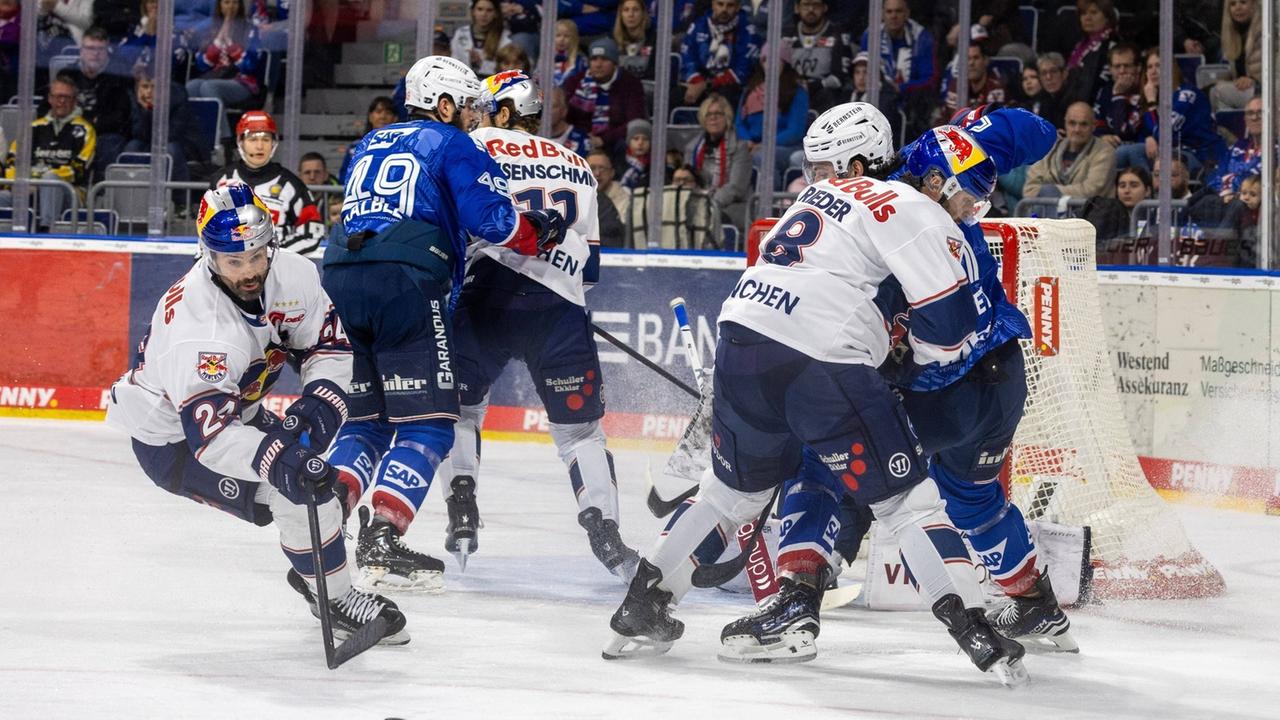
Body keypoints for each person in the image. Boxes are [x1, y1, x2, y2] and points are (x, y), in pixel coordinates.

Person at [604, 102, 1028, 686]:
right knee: (906, 504)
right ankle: (974, 629)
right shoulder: (914, 207)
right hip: (821, 361)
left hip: (739, 342)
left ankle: (641, 605)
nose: (820, 173)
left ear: (854, 161)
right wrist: (909, 357)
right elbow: (949, 333)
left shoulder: (809, 200)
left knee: (729, 492)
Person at [720, 106, 1075, 664]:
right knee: (974, 497)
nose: (967, 214)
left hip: (940, 388)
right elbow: (1040, 129)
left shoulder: (887, 213)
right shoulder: (950, 161)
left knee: (822, 463)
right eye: (967, 201)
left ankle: (795, 603)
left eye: (976, 207)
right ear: (935, 179)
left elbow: (863, 329)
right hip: (1002, 382)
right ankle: (1037, 606)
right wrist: (975, 125)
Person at [103, 183, 407, 646]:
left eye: (257, 255)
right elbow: (212, 440)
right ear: (209, 256)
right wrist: (278, 459)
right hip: (173, 444)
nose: (249, 271)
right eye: (233, 261)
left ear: (271, 243)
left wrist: (321, 402)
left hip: (238, 413)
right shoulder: (200, 330)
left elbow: (326, 345)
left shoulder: (295, 274)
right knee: (301, 494)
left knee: (316, 483)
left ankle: (314, 568)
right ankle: (334, 597)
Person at [320, 56, 565, 591]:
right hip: (405, 279)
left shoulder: (369, 143)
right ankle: (383, 537)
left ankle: (322, 518)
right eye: (469, 107)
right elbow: (495, 222)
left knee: (368, 421)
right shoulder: (451, 142)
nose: (475, 120)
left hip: (340, 271)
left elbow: (388, 207)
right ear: (445, 104)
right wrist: (539, 229)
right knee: (431, 418)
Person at [435, 70, 637, 579]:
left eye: (484, 109)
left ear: (503, 112)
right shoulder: (577, 164)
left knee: (459, 411)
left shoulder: (474, 143)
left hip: (486, 298)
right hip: (560, 311)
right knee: (581, 433)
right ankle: (606, 532)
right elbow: (589, 271)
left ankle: (462, 507)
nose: (477, 117)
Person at [211, 110, 326, 256]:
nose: (259, 146)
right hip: (229, 269)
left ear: (274, 143)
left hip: (276, 272)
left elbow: (313, 232)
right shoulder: (222, 180)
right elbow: (207, 229)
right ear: (241, 142)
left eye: (265, 139)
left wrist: (275, 256)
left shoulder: (291, 184)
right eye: (252, 139)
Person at [3, 73, 95, 230]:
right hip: (29, 191)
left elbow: (78, 169)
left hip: (69, 193)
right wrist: (18, 184)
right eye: (58, 96)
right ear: (50, 98)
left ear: (74, 100)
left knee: (51, 179)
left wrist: (39, 183)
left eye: (66, 97)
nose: (61, 101)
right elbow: (12, 160)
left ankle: (47, 231)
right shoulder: (33, 128)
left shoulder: (85, 130)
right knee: (2, 197)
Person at [54, 26, 132, 175]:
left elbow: (120, 117)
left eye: (100, 49)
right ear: (81, 50)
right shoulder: (67, 74)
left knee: (110, 144)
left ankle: (103, 193)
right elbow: (49, 107)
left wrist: (87, 124)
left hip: (103, 134)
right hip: (69, 129)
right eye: (90, 48)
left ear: (107, 50)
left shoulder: (119, 75)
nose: (95, 54)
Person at [1137, 48, 1225, 174]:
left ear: (1170, 68)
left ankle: (1150, 189)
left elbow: (1164, 135)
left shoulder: (1187, 95)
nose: (1153, 71)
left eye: (1158, 65)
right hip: (1173, 154)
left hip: (1202, 156)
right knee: (1125, 152)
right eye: (1149, 67)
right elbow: (1144, 132)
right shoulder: (1157, 97)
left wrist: (1151, 101)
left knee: (1132, 152)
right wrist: (1148, 137)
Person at [736, 44, 809, 190]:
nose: (770, 65)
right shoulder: (750, 91)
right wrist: (747, 140)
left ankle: (769, 202)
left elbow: (795, 130)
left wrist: (765, 144)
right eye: (765, 60)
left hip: (786, 147)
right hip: (752, 145)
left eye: (776, 60)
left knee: (764, 157)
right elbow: (739, 123)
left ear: (785, 63)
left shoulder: (797, 92)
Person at [860, 0, 937, 138]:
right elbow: (862, 68)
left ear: (907, 13)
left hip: (911, 101)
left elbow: (929, 80)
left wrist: (900, 88)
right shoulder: (871, 35)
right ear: (882, 14)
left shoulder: (921, 37)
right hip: (879, 97)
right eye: (889, 11)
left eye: (898, 11)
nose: (893, 16)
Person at [563, 38, 646, 155]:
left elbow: (634, 122)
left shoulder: (630, 83)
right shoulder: (576, 81)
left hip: (615, 141)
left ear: (614, 63)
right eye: (594, 59)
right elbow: (566, 116)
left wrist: (603, 140)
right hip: (579, 137)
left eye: (604, 59)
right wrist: (583, 137)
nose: (598, 64)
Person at [1023, 101, 1115, 200]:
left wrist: (1052, 191)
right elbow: (1029, 189)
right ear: (1065, 123)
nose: (1077, 129)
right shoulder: (1048, 149)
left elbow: (1092, 190)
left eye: (1084, 124)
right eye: (1072, 123)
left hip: (1087, 213)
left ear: (1094, 126)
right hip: (1045, 213)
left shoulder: (1105, 152)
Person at [685, 92, 751, 229]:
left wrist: (710, 204)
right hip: (698, 204)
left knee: (712, 218)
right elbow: (687, 180)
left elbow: (736, 188)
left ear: (727, 117)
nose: (713, 118)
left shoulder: (740, 148)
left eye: (718, 114)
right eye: (708, 114)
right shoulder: (692, 148)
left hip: (732, 206)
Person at [678, 0, 760, 110]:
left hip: (729, 88)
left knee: (727, 94)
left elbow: (742, 71)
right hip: (698, 82)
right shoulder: (698, 25)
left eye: (730, 5)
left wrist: (706, 85)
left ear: (738, 7)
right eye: (720, 4)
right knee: (676, 95)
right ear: (712, 4)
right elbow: (688, 58)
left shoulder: (749, 32)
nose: (724, 9)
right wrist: (697, 81)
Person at [186, 0, 262, 113]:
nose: (231, 6)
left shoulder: (250, 29)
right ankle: (197, 130)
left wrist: (230, 44)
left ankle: (221, 130)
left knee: (209, 87)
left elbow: (250, 66)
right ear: (220, 6)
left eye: (235, 3)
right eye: (226, 2)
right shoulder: (209, 29)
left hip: (242, 81)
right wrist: (218, 41)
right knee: (190, 87)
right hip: (215, 76)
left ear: (240, 6)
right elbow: (201, 65)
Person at [783, 0, 852, 113]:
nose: (811, 9)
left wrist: (817, 85)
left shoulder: (837, 34)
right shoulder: (787, 35)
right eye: (806, 5)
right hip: (791, 93)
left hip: (824, 96)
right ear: (797, 8)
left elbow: (840, 78)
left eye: (816, 5)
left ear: (824, 7)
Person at [1093, 43, 1144, 170]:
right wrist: (1103, 137)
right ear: (1110, 69)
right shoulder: (1106, 91)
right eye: (1117, 66)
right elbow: (1097, 124)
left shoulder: (1146, 91)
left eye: (1127, 66)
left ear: (1138, 67)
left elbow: (1124, 132)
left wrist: (1119, 97)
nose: (1121, 71)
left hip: (1139, 150)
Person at [1209, 0, 1260, 111]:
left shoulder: (1266, 30)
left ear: (1254, 4)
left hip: (1266, 89)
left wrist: (1252, 79)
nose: (1238, 7)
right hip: (1249, 89)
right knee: (1213, 88)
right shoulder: (1233, 35)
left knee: (1216, 93)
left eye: (1243, 2)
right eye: (1232, 4)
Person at [339, 95, 399, 182]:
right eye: (378, 112)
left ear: (395, 119)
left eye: (388, 113)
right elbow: (344, 176)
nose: (383, 116)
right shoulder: (356, 147)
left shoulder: (401, 146)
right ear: (370, 117)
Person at [1083, 166, 1151, 242]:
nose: (1127, 191)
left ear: (1147, 191)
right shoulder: (1106, 215)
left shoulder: (1154, 217)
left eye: (1134, 185)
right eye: (1122, 186)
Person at [941, 42, 1005, 121]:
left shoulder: (996, 87)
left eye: (976, 58)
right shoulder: (957, 85)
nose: (971, 63)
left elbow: (992, 123)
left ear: (985, 61)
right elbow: (946, 118)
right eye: (968, 58)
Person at [451, 0, 511, 77]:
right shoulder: (461, 33)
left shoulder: (505, 37)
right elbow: (454, 62)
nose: (484, 14)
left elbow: (506, 69)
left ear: (495, 14)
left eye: (489, 10)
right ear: (473, 12)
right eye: (480, 9)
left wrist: (480, 63)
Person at [587, 148, 629, 242]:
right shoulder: (576, 196)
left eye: (602, 168)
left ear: (612, 173)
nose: (597, 174)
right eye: (592, 168)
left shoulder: (625, 198)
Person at [545, 86, 591, 158]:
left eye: (553, 106)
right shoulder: (530, 137)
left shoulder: (581, 140)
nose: (546, 111)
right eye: (542, 105)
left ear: (564, 111)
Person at [550, 19, 587, 87]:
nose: (562, 39)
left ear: (574, 38)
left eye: (566, 36)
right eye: (558, 35)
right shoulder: (546, 58)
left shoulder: (580, 60)